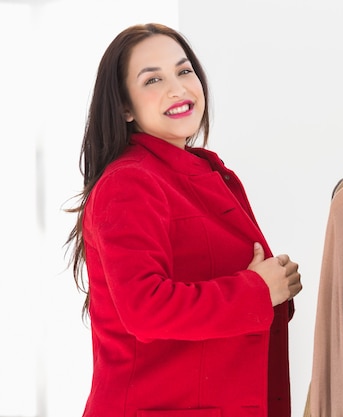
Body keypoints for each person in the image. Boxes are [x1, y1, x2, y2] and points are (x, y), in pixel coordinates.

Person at [65, 23, 302, 417]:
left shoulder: (207, 172)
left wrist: (274, 287)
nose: (177, 88)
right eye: (153, 79)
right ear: (125, 107)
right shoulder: (129, 183)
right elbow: (145, 307)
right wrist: (258, 291)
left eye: (184, 71)